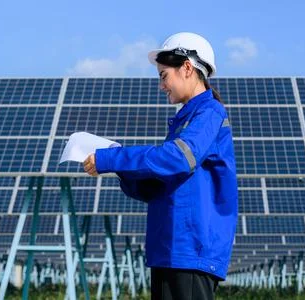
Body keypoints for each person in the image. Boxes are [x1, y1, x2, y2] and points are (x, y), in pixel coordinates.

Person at [83, 32, 238, 300]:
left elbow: (176, 159)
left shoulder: (209, 113)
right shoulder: (186, 120)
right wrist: (121, 168)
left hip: (190, 248)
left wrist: (113, 158)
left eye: (164, 76)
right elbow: (158, 185)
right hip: (170, 248)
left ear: (187, 68)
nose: (161, 86)